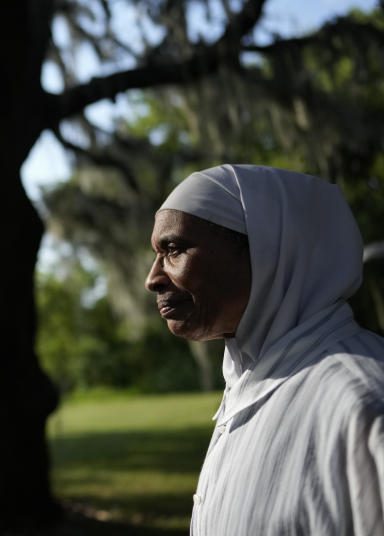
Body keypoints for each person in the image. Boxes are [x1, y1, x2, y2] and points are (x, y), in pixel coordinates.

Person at [145, 164, 384, 536]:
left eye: (173, 249)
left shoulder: (364, 401)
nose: (153, 278)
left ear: (267, 249)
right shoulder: (249, 385)